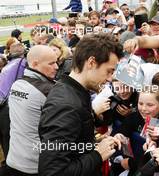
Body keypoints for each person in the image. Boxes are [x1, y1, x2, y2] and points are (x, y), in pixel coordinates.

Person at [38, 33, 123, 176]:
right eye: (109, 71)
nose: (109, 79)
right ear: (91, 63)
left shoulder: (76, 91)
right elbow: (52, 172)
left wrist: (95, 142)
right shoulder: (65, 105)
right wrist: (97, 154)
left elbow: (73, 145)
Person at [5, 45, 58, 176]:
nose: (56, 66)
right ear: (35, 64)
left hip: (13, 159)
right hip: (35, 165)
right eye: (51, 63)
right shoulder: (50, 91)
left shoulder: (17, 84)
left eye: (57, 62)